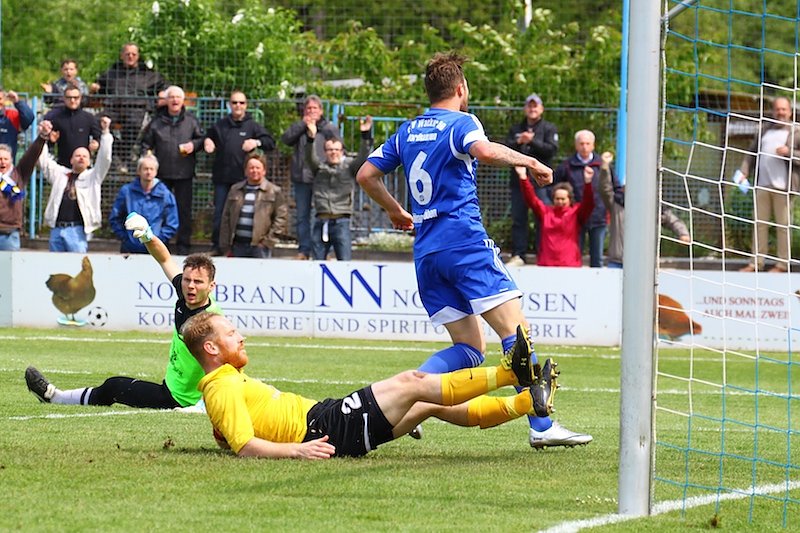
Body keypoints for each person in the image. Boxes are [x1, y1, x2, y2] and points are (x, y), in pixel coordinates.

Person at [356, 51, 592, 449]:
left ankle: (409, 395)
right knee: (518, 336)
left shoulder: (407, 131)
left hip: (427, 252)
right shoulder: (462, 122)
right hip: (464, 243)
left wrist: (397, 211)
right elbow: (483, 151)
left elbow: (366, 173)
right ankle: (541, 426)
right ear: (461, 89)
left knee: (468, 350)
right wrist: (531, 161)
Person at [182, 312, 555, 458]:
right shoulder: (220, 386)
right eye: (232, 334)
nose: (242, 337)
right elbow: (244, 446)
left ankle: (525, 403)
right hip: (326, 428)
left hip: (327, 421)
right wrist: (297, 452)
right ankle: (510, 373)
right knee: (414, 383)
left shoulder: (226, 380)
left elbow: (233, 431)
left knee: (426, 404)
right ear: (212, 348)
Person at [25, 221, 223, 409]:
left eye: (198, 282)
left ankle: (55, 397)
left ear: (211, 286)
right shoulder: (185, 293)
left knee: (114, 386)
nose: (190, 286)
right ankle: (56, 396)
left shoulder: (211, 322)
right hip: (173, 389)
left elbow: (226, 366)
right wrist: (147, 235)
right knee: (114, 386)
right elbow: (164, 258)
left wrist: (200, 406)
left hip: (179, 399)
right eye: (187, 279)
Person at [204, 90, 276, 254]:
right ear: (230, 105)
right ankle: (218, 247)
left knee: (244, 216)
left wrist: (256, 141)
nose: (238, 106)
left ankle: (243, 248)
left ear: (246, 105)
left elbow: (270, 142)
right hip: (222, 178)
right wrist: (207, 141)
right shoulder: (220, 125)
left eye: (241, 103)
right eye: (235, 102)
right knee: (220, 215)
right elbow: (206, 137)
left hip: (244, 181)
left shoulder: (252, 125)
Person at [599, 152, 691, 268]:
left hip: (642, 263)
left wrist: (683, 234)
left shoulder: (651, 208)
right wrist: (604, 168)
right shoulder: (616, 203)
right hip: (617, 261)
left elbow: (671, 220)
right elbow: (604, 188)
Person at [141, 85, 204, 255]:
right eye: (172, 97)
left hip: (184, 174)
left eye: (178, 97)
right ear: (166, 101)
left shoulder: (191, 120)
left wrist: (193, 145)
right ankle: (161, 245)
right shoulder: (156, 122)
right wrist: (148, 157)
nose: (175, 100)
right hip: (161, 176)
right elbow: (146, 144)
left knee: (183, 211)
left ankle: (183, 246)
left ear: (183, 100)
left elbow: (201, 139)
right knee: (160, 211)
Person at [737, 96, 797, 272]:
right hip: (762, 185)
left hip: (784, 187)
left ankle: (782, 264)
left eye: (784, 109)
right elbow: (751, 153)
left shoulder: (796, 131)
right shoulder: (764, 130)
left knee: (783, 227)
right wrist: (744, 171)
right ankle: (756, 263)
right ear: (773, 111)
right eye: (777, 109)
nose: (780, 112)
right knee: (759, 224)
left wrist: (789, 152)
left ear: (790, 112)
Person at [39, 117, 113, 252]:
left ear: (89, 162)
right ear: (71, 160)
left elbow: (105, 158)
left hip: (77, 231)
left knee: (76, 268)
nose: (81, 158)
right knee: (55, 269)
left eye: (85, 156)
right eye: (78, 155)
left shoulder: (93, 177)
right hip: (56, 228)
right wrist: (43, 136)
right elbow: (43, 161)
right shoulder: (60, 174)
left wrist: (106, 133)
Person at [281, 95, 340, 260]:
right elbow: (285, 139)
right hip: (301, 179)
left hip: (322, 178)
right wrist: (303, 125)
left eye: (315, 108)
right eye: (308, 109)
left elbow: (339, 147)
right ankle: (304, 250)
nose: (312, 111)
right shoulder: (299, 127)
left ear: (321, 111)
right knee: (302, 217)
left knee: (323, 215)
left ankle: (324, 252)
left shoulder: (329, 128)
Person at [305, 116, 373, 261]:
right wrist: (311, 138)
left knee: (345, 263)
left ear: (342, 152)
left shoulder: (349, 167)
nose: (333, 152)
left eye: (336, 149)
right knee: (317, 264)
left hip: (341, 222)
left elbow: (362, 158)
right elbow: (309, 157)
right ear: (325, 152)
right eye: (329, 150)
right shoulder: (319, 168)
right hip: (321, 221)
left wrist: (365, 135)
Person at [91, 43, 167, 172]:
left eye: (133, 54)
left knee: (133, 126)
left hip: (136, 108)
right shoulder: (112, 73)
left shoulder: (147, 74)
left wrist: (163, 92)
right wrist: (95, 87)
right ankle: (117, 152)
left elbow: (164, 85)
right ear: (121, 56)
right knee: (95, 123)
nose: (130, 56)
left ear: (138, 56)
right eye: (127, 54)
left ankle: (122, 158)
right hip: (113, 108)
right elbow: (99, 86)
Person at [505, 93, 559, 267]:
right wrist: (519, 141)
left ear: (541, 109)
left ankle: (542, 253)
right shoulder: (515, 128)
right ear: (525, 108)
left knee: (542, 218)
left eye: (535, 106)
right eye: (529, 106)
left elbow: (551, 150)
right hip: (518, 183)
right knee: (519, 219)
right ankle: (518, 255)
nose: (532, 109)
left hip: (540, 184)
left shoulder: (549, 128)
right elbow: (505, 150)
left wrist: (533, 141)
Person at [516, 164, 594, 267]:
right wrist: (523, 178)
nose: (560, 201)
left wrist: (588, 183)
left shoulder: (576, 213)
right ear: (553, 199)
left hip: (569, 265)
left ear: (569, 199)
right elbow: (532, 200)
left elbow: (589, 203)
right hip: (546, 264)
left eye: (563, 199)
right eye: (557, 199)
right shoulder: (545, 212)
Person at [553, 130, 609, 268]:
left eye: (587, 143)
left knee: (597, 259)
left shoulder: (602, 165)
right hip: (575, 219)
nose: (584, 146)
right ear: (576, 145)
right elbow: (554, 186)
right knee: (574, 256)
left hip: (598, 216)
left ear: (593, 145)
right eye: (581, 143)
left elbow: (613, 186)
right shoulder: (566, 166)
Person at [218, 152, 288, 258]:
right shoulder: (235, 189)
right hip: (237, 246)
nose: (254, 170)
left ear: (264, 171)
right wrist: (225, 245)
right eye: (251, 168)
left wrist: (267, 242)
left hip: (260, 248)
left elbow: (281, 218)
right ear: (246, 171)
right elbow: (226, 218)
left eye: (257, 168)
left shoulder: (274, 191)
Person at [109, 154, 179, 254]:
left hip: (156, 249)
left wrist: (157, 239)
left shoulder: (165, 194)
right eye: (145, 169)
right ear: (139, 171)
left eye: (151, 169)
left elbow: (172, 223)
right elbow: (115, 217)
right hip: (129, 249)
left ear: (156, 172)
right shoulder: (127, 191)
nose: (148, 172)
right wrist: (126, 238)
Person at [0, 124, 49, 250]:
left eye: (6, 158)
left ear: (11, 160)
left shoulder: (19, 174)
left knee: (8, 269)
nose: (2, 162)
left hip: (10, 234)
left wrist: (42, 137)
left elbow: (31, 156)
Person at [43, 84, 101, 167]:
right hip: (62, 166)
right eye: (69, 98)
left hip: (83, 166)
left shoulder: (89, 118)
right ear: (64, 98)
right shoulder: (56, 118)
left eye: (76, 97)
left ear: (80, 98)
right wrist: (51, 140)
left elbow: (99, 137)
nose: (72, 100)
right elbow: (48, 144)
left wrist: (96, 144)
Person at [0, 87, 34, 160]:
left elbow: (29, 118)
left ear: (5, 100)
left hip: (6, 166)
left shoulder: (11, 116)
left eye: (0, 99)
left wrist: (17, 101)